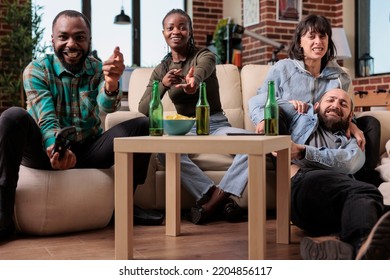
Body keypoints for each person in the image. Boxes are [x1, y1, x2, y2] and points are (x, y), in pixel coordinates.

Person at [0, 10, 164, 241]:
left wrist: (112, 83)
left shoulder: (97, 69)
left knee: (141, 124)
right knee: (12, 117)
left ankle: (126, 206)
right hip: (45, 151)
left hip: (88, 149)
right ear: (53, 39)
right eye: (63, 37)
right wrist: (55, 147)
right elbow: (46, 118)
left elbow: (107, 107)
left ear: (88, 40)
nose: (71, 44)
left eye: (79, 37)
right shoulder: (36, 69)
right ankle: (3, 214)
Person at [138, 9, 249, 224]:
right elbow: (143, 107)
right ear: (164, 34)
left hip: (216, 124)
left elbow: (203, 69)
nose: (176, 31)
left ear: (190, 31)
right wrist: (163, 85)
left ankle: (212, 203)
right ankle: (216, 196)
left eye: (182, 27)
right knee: (164, 151)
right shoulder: (162, 69)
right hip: (184, 128)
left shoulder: (204, 54)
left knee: (252, 146)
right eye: (170, 28)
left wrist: (194, 81)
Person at [248, 14, 382, 186]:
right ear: (299, 42)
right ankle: (291, 176)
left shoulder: (340, 76)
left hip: (327, 131)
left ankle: (363, 178)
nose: (318, 41)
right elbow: (261, 99)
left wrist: (352, 123)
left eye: (322, 36)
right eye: (311, 36)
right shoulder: (283, 68)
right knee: (275, 116)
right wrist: (264, 117)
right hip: (294, 131)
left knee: (371, 123)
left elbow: (342, 108)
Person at [280, 88, 390, 259]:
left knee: (370, 203)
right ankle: (362, 246)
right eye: (330, 100)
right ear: (316, 106)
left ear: (350, 115)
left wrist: (304, 152)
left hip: (345, 200)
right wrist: (290, 103)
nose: (336, 105)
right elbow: (257, 102)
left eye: (343, 104)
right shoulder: (300, 120)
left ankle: (334, 246)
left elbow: (351, 162)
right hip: (305, 185)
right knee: (366, 193)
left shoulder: (352, 139)